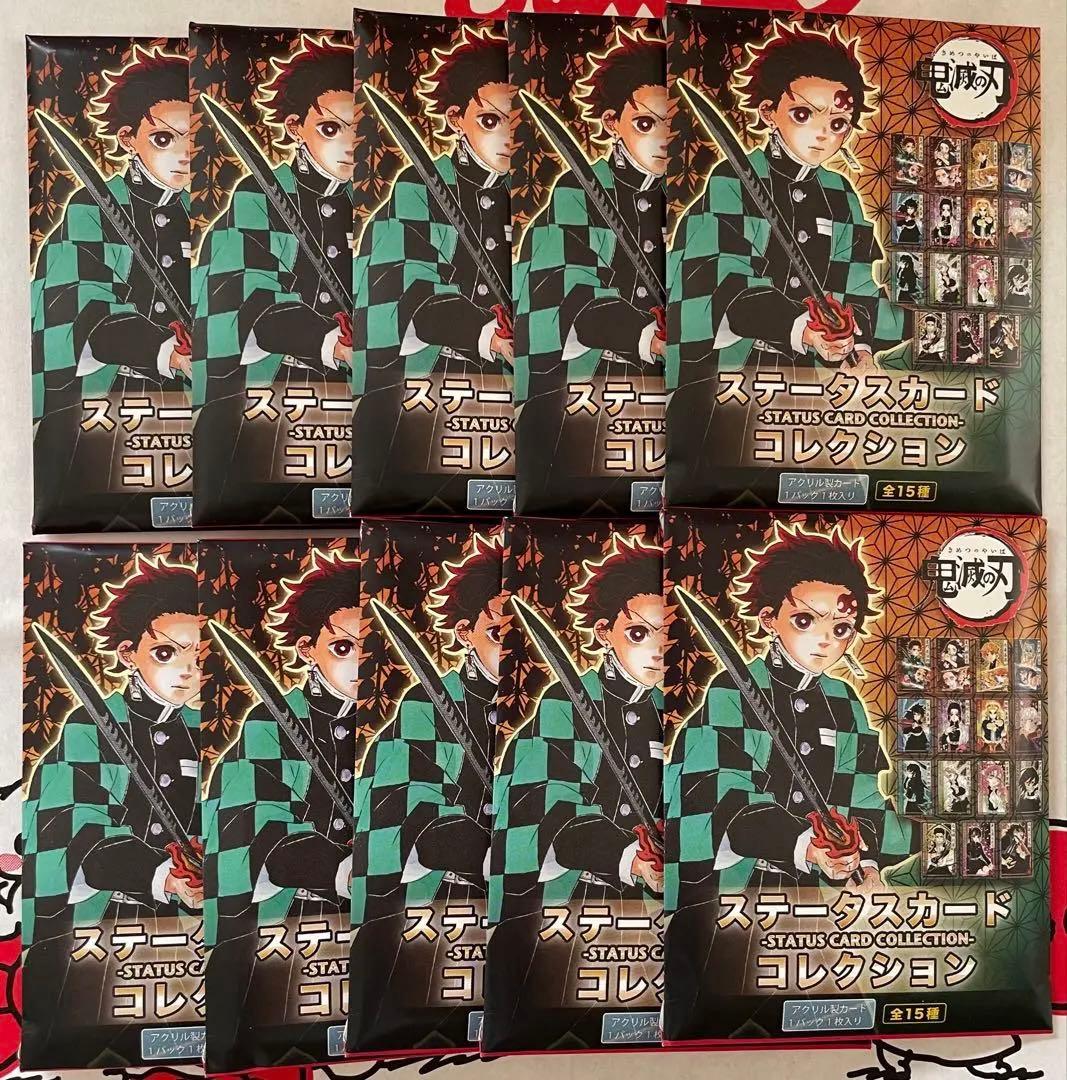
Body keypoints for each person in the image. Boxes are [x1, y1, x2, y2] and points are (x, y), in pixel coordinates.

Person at [668, 524, 914, 895]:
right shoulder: (732, 690)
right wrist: (807, 847)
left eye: (842, 628)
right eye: (805, 620)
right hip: (740, 884)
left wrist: (865, 862)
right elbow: (725, 794)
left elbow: (863, 795)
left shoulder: (844, 701)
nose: (825, 639)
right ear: (769, 619)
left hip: (825, 889)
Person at [23, 556, 201, 1057]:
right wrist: (162, 875)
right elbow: (70, 825)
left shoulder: (203, 733)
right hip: (103, 925)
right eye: (166, 652)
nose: (187, 671)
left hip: (193, 934)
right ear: (128, 653)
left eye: (200, 655)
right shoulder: (89, 726)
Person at [670, 21, 902, 373]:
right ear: (768, 112)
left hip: (818, 372)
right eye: (803, 114)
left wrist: (860, 346)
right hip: (735, 367)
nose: (822, 134)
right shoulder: (733, 179)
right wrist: (803, 330)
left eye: (838, 123)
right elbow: (727, 281)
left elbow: (857, 284)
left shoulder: (840, 193)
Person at [349, 534, 506, 1048]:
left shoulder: (553, 707)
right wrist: (500, 859)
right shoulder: (426, 706)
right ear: (465, 633)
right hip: (433, 918)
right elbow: (411, 814)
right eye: (496, 632)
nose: (510, 648)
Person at [31, 47, 191, 507]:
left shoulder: (202, 215)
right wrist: (167, 350)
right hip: (110, 403)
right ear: (128, 138)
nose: (184, 155)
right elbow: (82, 307)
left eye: (194, 140)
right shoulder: (92, 207)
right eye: (164, 138)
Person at [195, 35, 355, 395]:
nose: (348, 146)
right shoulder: (258, 196)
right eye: (331, 129)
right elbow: (250, 298)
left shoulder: (364, 205)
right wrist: (331, 342)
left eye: (357, 130)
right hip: (276, 387)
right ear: (295, 127)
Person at [355, 26, 514, 376]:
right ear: (456, 119)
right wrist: (487, 334)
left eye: (514, 123)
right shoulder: (418, 187)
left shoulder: (523, 195)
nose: (506, 138)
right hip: (433, 375)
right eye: (490, 121)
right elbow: (409, 288)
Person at [517, 28, 667, 376]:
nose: (662, 139)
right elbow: (570, 289)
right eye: (646, 123)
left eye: (670, 124)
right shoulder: (577, 191)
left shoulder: (680, 200)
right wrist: (646, 336)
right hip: (591, 379)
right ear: (612, 123)